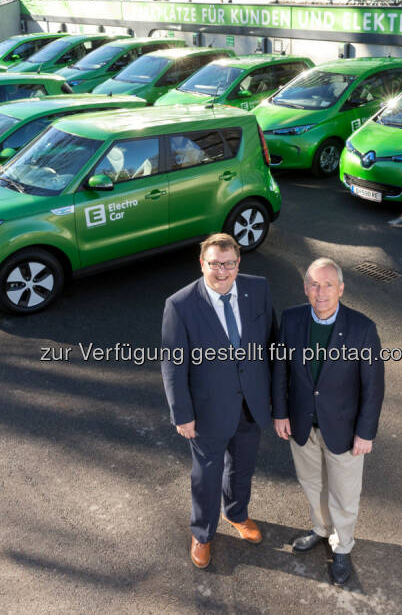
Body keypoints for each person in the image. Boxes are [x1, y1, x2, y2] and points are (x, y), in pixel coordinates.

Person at [161, 233, 276, 569]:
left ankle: (237, 514)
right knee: (206, 475)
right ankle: (202, 533)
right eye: (215, 264)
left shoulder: (258, 289)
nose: (222, 271)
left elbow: (272, 344)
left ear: (238, 263)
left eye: (229, 264)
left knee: (243, 466)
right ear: (202, 264)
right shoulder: (180, 305)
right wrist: (182, 414)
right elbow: (173, 364)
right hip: (206, 409)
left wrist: (273, 396)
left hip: (252, 402)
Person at [271, 258, 384, 585]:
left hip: (345, 430)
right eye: (314, 285)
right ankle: (321, 529)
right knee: (312, 484)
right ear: (306, 288)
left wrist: (365, 432)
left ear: (341, 289)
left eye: (328, 285)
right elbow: (281, 369)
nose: (321, 292)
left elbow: (373, 386)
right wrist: (280, 412)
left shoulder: (363, 328)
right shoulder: (291, 319)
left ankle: (343, 545)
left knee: (345, 493)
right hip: (301, 425)